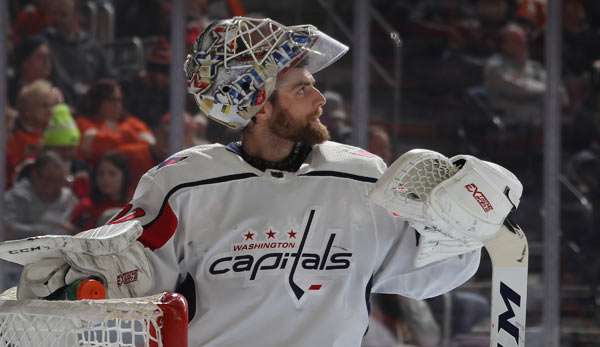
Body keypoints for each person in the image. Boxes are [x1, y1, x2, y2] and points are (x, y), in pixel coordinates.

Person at [10, 17, 522, 347]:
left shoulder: (360, 175)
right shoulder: (184, 184)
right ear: (256, 105)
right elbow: (130, 282)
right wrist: (81, 284)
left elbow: (419, 276)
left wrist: (459, 236)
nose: (319, 98)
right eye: (301, 89)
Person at [76, 79, 155, 167]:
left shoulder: (133, 124)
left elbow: (151, 147)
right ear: (97, 101)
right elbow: (92, 146)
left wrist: (118, 145)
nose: (117, 105)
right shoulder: (84, 123)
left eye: (119, 100)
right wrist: (128, 137)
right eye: (112, 100)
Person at [71, 152, 130, 230]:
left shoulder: (133, 206)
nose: (105, 179)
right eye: (100, 174)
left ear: (124, 177)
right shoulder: (85, 206)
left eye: (112, 174)